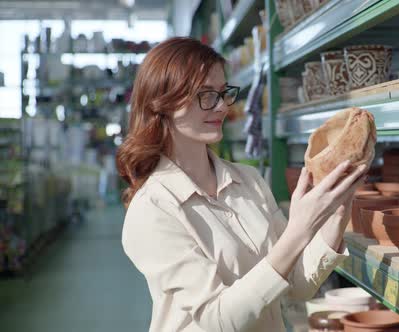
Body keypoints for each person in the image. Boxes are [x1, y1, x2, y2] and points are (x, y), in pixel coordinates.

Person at [116, 37, 367, 332]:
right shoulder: (152, 210)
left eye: (224, 93)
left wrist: (337, 211)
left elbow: (297, 286)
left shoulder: (248, 181)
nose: (222, 106)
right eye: (206, 95)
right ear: (163, 103)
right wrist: (300, 229)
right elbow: (216, 320)